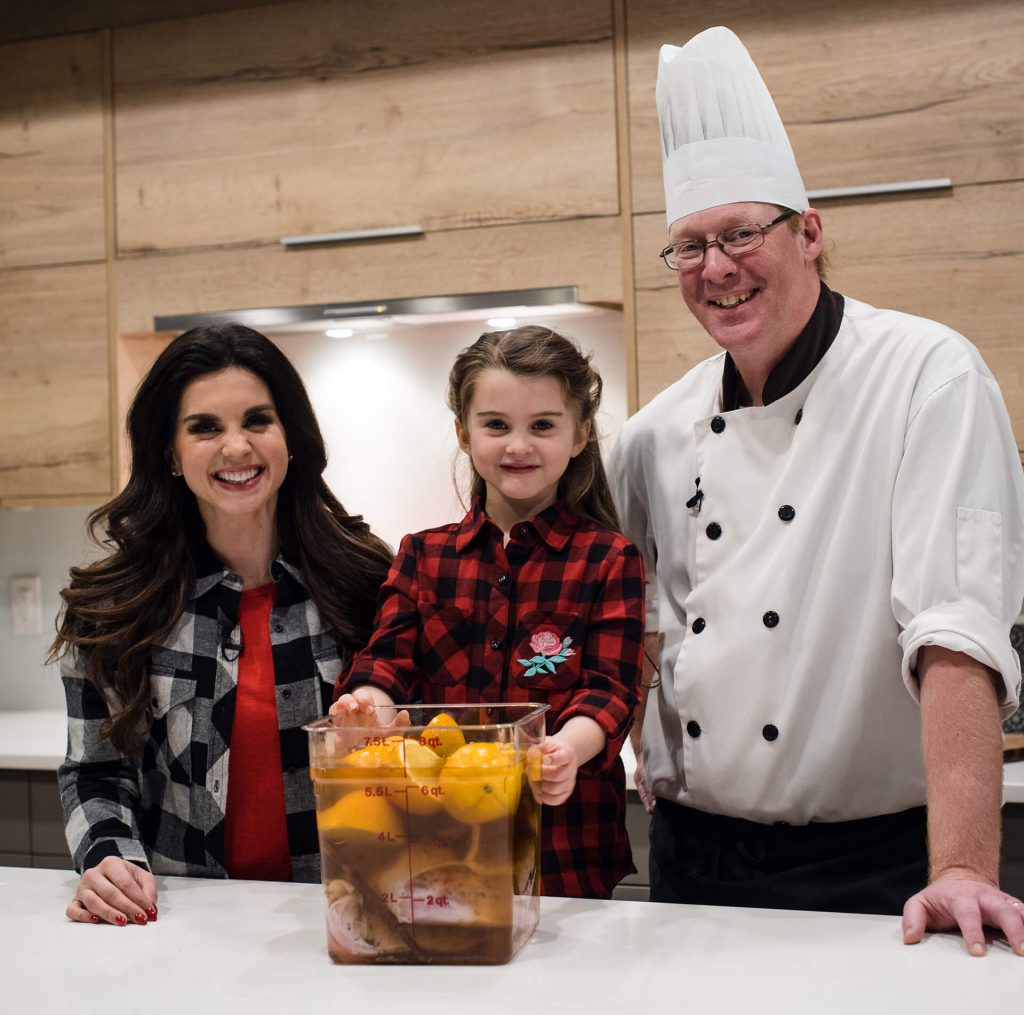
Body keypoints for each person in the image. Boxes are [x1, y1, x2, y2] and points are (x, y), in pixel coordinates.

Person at [609, 27, 1024, 955]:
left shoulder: (926, 375)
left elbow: (955, 626)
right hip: (687, 860)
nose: (717, 269)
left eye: (742, 234)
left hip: (870, 866)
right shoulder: (649, 437)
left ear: (810, 231)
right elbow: (628, 629)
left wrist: (962, 867)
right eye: (689, 246)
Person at [50, 322, 393, 927]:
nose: (237, 447)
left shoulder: (369, 583)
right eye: (205, 427)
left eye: (257, 420)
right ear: (170, 453)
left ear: (291, 438)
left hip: (349, 917)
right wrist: (106, 858)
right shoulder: (114, 607)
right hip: (181, 925)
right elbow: (97, 772)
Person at [331, 325, 645, 898]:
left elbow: (610, 691)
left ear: (580, 436)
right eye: (496, 425)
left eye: (542, 425)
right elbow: (386, 664)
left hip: (564, 852)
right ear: (463, 433)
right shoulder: (423, 553)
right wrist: (365, 709)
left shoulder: (609, 558)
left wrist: (564, 752)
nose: (517, 446)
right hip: (434, 845)